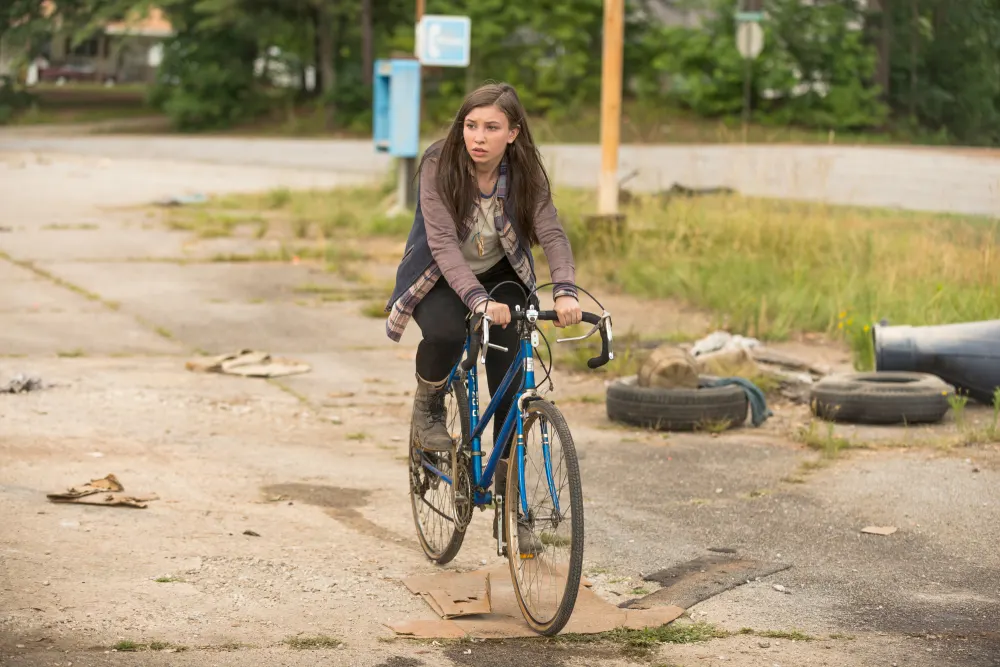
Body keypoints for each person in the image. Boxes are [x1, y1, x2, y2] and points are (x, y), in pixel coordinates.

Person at [384, 82, 582, 469]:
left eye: (492, 127)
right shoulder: (439, 163)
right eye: (471, 125)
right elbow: (442, 244)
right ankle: (429, 406)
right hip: (439, 276)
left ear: (513, 133)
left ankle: (508, 487)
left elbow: (552, 234)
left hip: (501, 275)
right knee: (447, 334)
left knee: (510, 382)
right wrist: (479, 302)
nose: (478, 137)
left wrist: (565, 291)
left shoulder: (525, 172)